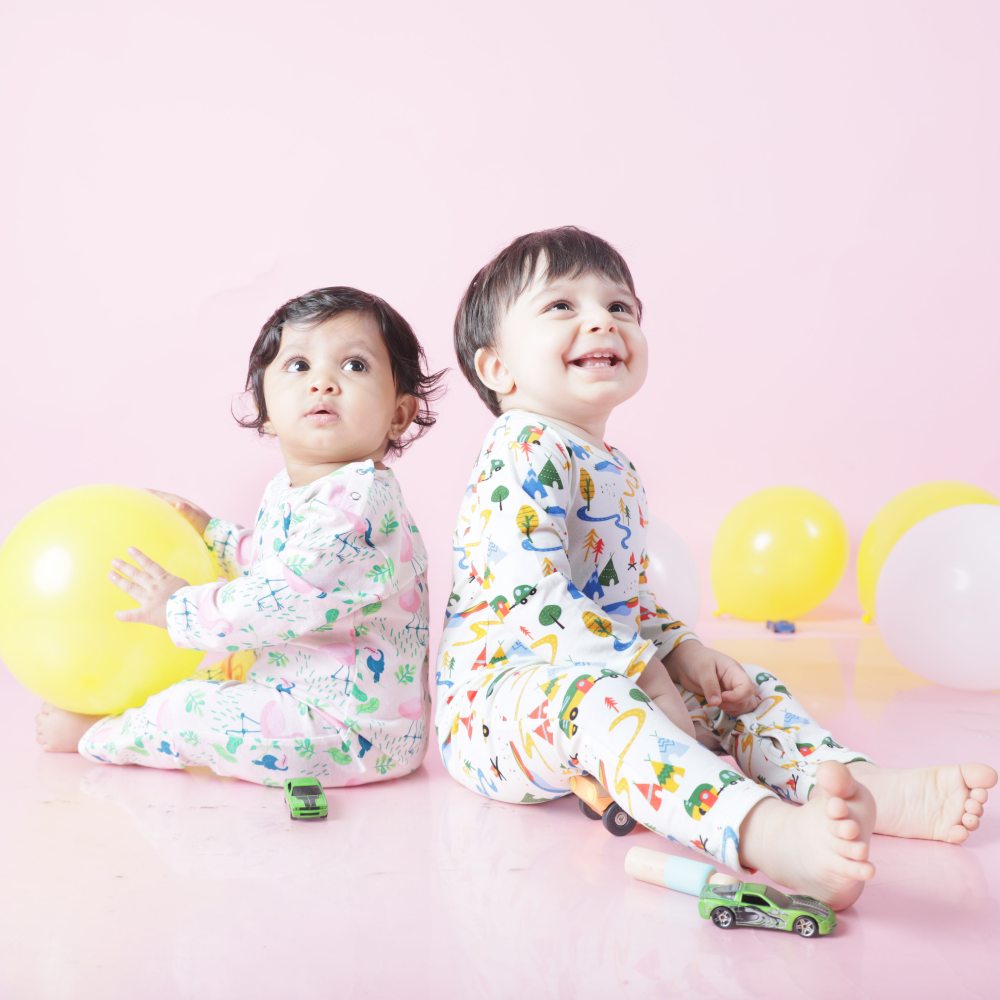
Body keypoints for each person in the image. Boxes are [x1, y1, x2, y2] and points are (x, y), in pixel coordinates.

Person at [437, 226, 996, 909]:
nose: (599, 319)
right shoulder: (520, 449)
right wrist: (642, 671)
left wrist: (688, 653)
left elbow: (625, 599)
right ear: (498, 369)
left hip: (598, 669)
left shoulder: (613, 467)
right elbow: (529, 595)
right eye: (561, 306)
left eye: (620, 307)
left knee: (744, 689)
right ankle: (769, 836)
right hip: (499, 705)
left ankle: (867, 785)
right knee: (606, 705)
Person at [37, 286, 445, 787]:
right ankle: (142, 716)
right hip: (294, 687)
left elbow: (283, 597)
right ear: (267, 412)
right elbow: (277, 562)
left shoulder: (359, 505)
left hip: (351, 733)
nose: (324, 383)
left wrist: (177, 608)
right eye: (299, 366)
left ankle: (100, 735)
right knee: (203, 678)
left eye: (355, 366)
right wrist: (214, 534)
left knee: (193, 709)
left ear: (398, 415)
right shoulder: (296, 489)